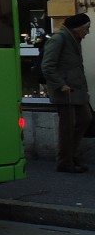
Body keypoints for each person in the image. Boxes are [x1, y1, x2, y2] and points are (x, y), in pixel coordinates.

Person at [41, 12, 92, 173]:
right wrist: (60, 85)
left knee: (85, 119)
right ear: (78, 28)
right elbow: (47, 65)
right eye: (87, 28)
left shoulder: (74, 40)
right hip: (66, 92)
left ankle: (71, 155)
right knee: (67, 128)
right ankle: (65, 161)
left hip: (77, 91)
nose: (88, 32)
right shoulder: (59, 39)